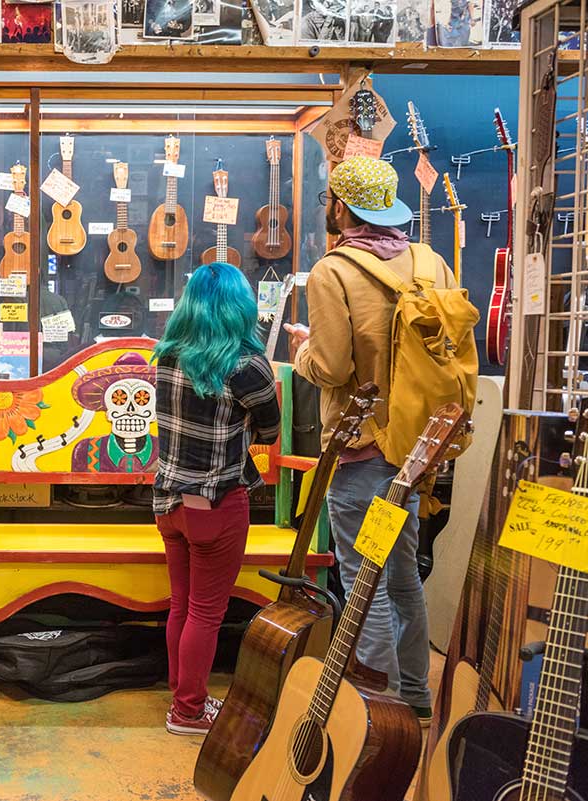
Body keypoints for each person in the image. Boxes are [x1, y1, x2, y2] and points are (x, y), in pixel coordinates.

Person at [285, 155, 460, 724]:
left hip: (362, 455)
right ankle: (415, 698)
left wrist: (303, 351)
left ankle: (373, 711)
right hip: (418, 452)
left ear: (341, 208)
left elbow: (334, 369)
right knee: (404, 577)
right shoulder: (431, 264)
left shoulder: (333, 272)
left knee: (366, 583)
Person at [152, 262, 280, 736]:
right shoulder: (247, 366)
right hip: (217, 501)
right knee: (207, 612)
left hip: (168, 500)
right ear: (240, 308)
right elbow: (270, 432)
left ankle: (182, 692)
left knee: (181, 606)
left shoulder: (165, 355)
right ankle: (188, 711)